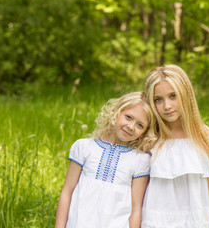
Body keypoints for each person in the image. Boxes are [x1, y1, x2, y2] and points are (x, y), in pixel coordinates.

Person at [141, 64, 209, 228]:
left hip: (194, 217)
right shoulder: (150, 139)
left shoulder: (202, 135)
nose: (167, 106)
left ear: (186, 95)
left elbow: (208, 187)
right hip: (158, 217)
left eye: (173, 96)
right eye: (158, 100)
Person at [55, 91, 156, 228]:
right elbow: (67, 192)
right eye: (128, 117)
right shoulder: (84, 147)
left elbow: (136, 209)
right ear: (115, 113)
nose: (131, 127)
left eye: (140, 125)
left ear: (145, 132)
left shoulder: (140, 160)